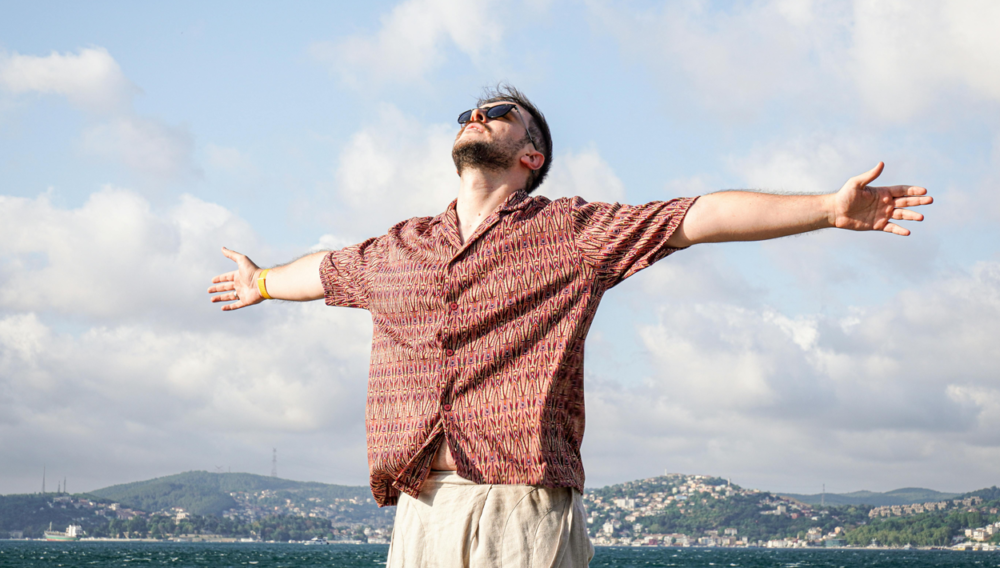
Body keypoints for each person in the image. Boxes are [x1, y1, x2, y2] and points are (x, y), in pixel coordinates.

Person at [208, 84, 932, 567]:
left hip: (520, 508)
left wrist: (825, 210)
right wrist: (262, 283)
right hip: (420, 510)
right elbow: (326, 269)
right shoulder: (400, 248)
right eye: (467, 112)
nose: (474, 117)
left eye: (497, 111)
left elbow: (695, 217)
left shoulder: (571, 233)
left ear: (532, 156)